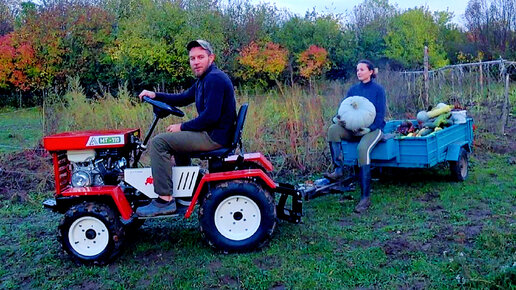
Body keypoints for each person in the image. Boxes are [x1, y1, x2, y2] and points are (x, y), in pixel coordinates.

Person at [136, 39, 236, 217]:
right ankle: (186, 194)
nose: (196, 62)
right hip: (214, 133)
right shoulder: (203, 79)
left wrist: (182, 126)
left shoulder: (214, 79)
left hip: (215, 137)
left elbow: (210, 117)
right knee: (175, 141)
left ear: (210, 58)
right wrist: (155, 94)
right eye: (192, 58)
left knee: (159, 142)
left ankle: (164, 200)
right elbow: (182, 98)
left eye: (200, 57)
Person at [325, 59, 386, 213]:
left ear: (371, 72)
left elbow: (380, 116)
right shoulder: (352, 90)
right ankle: (338, 171)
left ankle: (365, 198)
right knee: (333, 129)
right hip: (354, 130)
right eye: (357, 70)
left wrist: (369, 128)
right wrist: (338, 119)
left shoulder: (378, 90)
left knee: (362, 149)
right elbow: (345, 110)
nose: (359, 72)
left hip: (373, 130)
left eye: (362, 69)